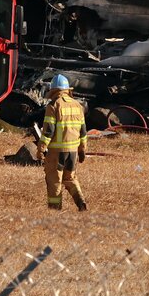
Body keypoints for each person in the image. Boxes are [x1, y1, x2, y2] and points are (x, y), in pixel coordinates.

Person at [42, 74, 88, 211]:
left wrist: (41, 148)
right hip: (73, 152)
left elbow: (48, 130)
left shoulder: (53, 105)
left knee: (54, 180)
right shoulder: (78, 105)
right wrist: (82, 149)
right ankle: (81, 202)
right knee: (70, 178)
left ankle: (55, 209)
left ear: (54, 90)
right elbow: (83, 131)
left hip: (57, 152)